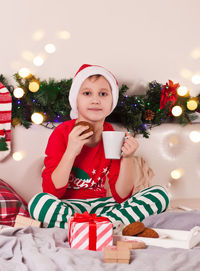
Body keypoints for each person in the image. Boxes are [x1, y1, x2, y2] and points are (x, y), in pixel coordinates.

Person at [28, 64, 169, 231]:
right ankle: (106, 227)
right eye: (87, 93)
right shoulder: (62, 133)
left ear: (112, 102)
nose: (95, 100)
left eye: (103, 94)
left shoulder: (112, 135)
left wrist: (128, 158)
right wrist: (71, 150)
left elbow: (122, 196)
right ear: (76, 100)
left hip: (104, 207)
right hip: (68, 207)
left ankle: (94, 226)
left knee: (160, 195)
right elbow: (52, 192)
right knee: (38, 203)